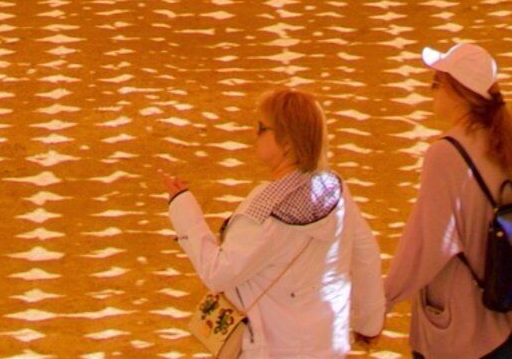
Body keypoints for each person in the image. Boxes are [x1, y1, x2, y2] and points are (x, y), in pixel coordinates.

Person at [158, 86, 382, 358]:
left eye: (261, 128)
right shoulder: (334, 189)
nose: (255, 135)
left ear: (287, 142)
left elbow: (218, 272)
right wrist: (368, 324)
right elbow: (366, 254)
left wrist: (182, 205)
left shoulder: (265, 210)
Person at [379, 42, 512, 359]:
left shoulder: (446, 154)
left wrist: (382, 301)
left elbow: (426, 244)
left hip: (459, 332)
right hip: (501, 323)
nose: (431, 90)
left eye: (437, 82)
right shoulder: (508, 147)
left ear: (459, 92)